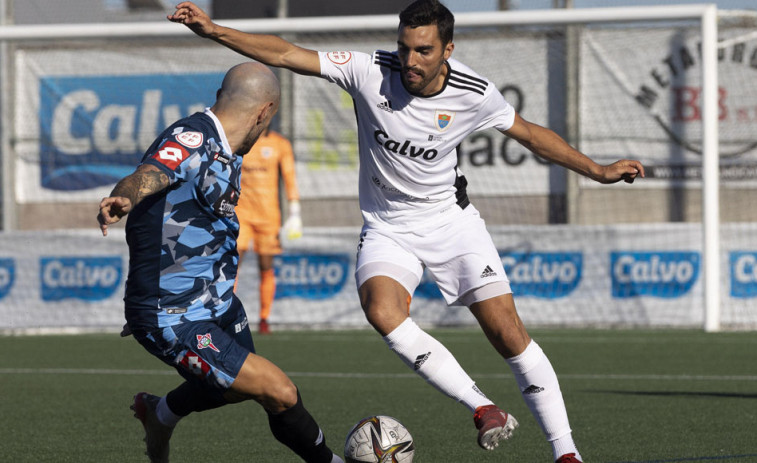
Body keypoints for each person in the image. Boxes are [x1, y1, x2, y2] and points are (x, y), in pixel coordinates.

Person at [168, 2, 645, 462]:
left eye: (423, 51)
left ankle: (566, 453)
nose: (410, 60)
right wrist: (215, 31)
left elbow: (530, 134)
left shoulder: (475, 93)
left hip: (452, 224)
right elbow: (287, 53)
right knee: (382, 310)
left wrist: (597, 171)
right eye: (404, 47)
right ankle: (483, 407)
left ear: (448, 50)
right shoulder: (368, 69)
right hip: (387, 227)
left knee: (507, 333)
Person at [97, 62, 343, 463]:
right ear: (264, 113)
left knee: (232, 387)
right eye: (268, 122)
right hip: (173, 314)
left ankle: (160, 414)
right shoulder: (191, 140)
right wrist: (124, 196)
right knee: (279, 391)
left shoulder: (230, 146)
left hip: (218, 301)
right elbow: (152, 173)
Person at [235, 126, 302, 335]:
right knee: (232, 263)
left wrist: (295, 211)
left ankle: (264, 318)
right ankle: (224, 313)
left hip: (268, 217)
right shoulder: (240, 141)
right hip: (241, 215)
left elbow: (290, 178)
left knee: (266, 266)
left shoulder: (280, 144)